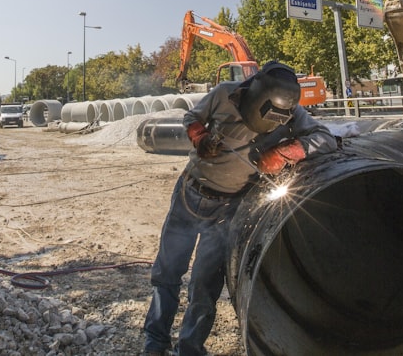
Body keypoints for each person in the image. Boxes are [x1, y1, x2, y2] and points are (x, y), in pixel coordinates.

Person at [142, 61, 337, 356]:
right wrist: (200, 137)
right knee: (167, 272)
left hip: (228, 210)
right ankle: (154, 343)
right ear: (254, 91)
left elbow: (326, 138)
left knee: (205, 286)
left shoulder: (292, 111)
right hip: (189, 195)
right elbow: (191, 118)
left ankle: (189, 349)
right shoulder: (223, 93)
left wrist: (286, 152)